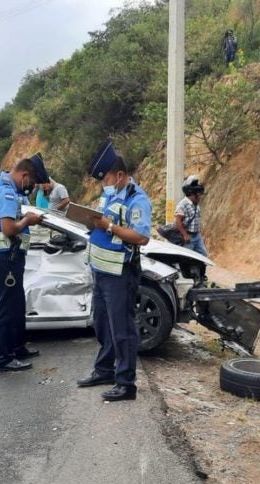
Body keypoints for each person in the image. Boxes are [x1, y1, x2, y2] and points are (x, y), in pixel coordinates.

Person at [76, 140, 152, 401]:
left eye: (106, 178)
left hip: (120, 274)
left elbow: (141, 238)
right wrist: (89, 220)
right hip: (100, 271)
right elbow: (100, 223)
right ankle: (105, 370)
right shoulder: (109, 195)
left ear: (119, 175)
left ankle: (126, 383)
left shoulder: (137, 200)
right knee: (102, 325)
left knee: (122, 330)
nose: (103, 184)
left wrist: (107, 226)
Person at [0, 153, 49, 372]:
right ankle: (3, 358)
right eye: (32, 182)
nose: (31, 187)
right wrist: (28, 221)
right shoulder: (5, 191)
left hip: (9, 255)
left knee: (16, 303)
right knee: (6, 307)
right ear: (24, 175)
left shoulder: (7, 187)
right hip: (4, 256)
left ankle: (18, 347)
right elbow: (9, 228)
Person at [175, 175, 208, 256]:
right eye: (199, 194)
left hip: (197, 235)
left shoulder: (195, 204)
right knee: (187, 258)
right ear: (192, 194)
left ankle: (197, 269)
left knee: (203, 255)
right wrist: (185, 235)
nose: (200, 196)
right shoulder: (182, 205)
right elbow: (178, 221)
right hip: (188, 236)